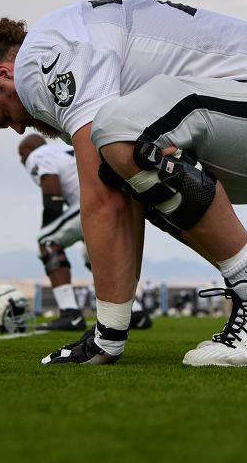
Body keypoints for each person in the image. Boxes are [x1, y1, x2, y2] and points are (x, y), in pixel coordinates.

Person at [0, 0, 247, 366]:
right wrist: (107, 335)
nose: (20, 129)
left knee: (118, 132)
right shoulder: (65, 37)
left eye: (5, 117)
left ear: (4, 73)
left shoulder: (40, 59)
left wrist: (106, 338)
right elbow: (114, 187)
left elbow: (100, 198)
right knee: (128, 166)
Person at [18, 134, 151, 331]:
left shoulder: (37, 155)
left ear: (26, 154)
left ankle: (69, 313)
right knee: (89, 253)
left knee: (46, 240)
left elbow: (52, 197)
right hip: (118, 200)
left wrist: (47, 229)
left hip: (94, 203)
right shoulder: (60, 151)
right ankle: (135, 311)